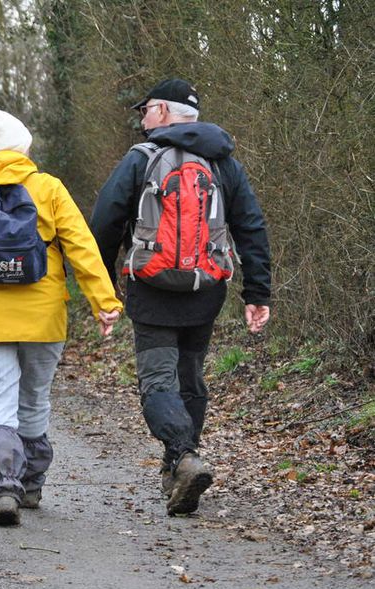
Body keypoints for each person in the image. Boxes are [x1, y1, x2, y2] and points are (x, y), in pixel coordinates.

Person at [0, 109, 123, 527]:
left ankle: (5, 485)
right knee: (34, 399)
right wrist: (104, 301)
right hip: (44, 314)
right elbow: (82, 247)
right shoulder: (48, 188)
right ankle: (30, 484)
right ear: (23, 147)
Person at [91, 78, 272, 516]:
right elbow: (251, 226)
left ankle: (182, 455)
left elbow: (104, 223)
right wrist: (257, 291)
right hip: (205, 289)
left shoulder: (141, 159)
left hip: (151, 289)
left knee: (157, 382)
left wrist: (101, 287)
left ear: (166, 113)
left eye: (147, 109)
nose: (142, 117)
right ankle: (180, 463)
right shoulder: (223, 161)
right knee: (190, 378)